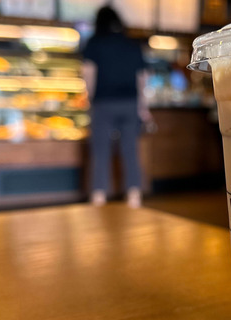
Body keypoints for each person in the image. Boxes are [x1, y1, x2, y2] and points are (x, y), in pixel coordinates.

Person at [82, 6, 152, 208]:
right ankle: (134, 196)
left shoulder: (94, 43)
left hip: (103, 102)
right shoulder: (132, 45)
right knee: (130, 150)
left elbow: (88, 73)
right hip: (130, 103)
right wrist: (142, 106)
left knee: (100, 150)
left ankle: (98, 196)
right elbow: (142, 77)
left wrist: (90, 99)